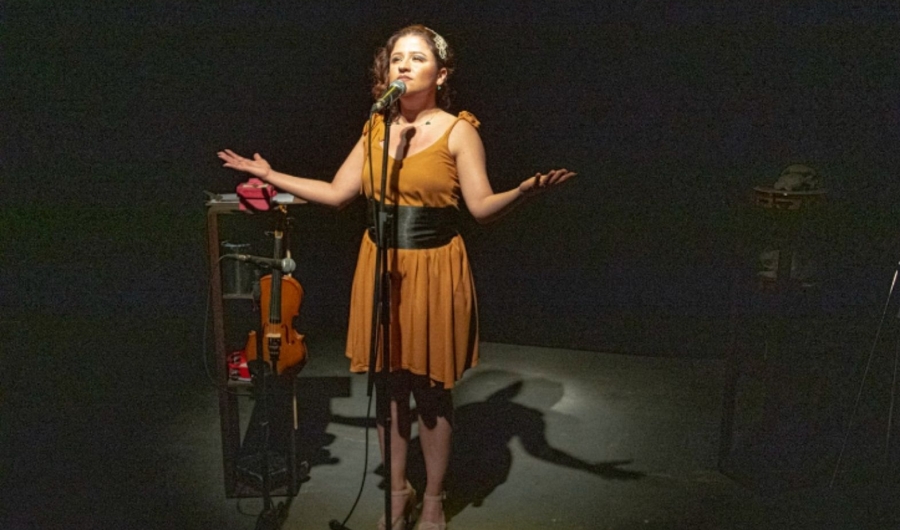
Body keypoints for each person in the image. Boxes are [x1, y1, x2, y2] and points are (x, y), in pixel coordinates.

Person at [218, 24, 574, 530]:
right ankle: (398, 491)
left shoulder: (459, 130)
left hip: (433, 267)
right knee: (387, 388)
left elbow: (481, 208)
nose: (404, 66)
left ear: (441, 72)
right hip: (381, 264)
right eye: (396, 59)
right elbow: (340, 193)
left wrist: (522, 191)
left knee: (430, 392)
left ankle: (432, 498)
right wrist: (272, 175)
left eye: (417, 58)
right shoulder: (376, 128)